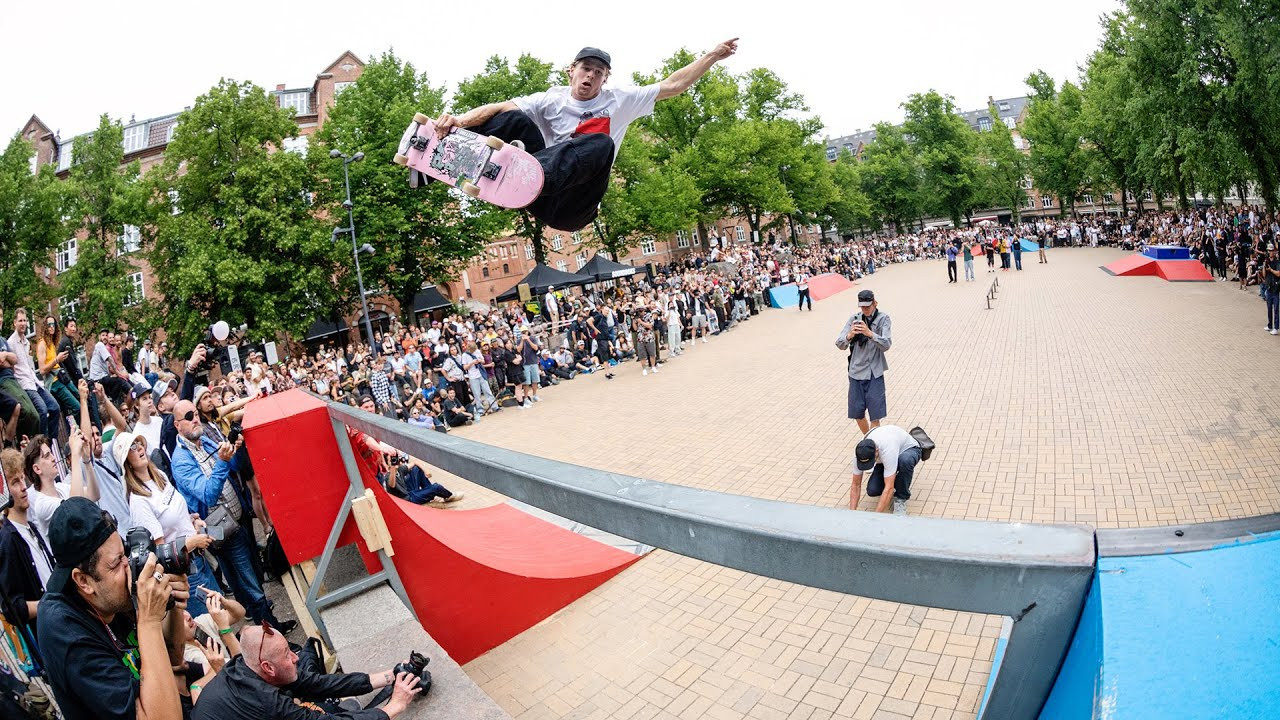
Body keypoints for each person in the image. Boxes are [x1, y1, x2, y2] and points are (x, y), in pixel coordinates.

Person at [430, 39, 738, 232]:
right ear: (571, 71)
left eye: (598, 72)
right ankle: (444, 155)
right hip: (539, 197)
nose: (590, 75)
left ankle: (531, 174)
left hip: (575, 207)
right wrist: (456, 121)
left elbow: (673, 85)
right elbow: (499, 107)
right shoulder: (551, 99)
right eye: (586, 69)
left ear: (606, 78)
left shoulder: (621, 100)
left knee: (600, 144)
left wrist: (711, 55)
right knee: (512, 118)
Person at [37, 496, 188, 720]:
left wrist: (171, 604)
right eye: (117, 563)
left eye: (125, 553)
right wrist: (148, 619)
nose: (129, 567)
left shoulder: (108, 595)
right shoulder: (66, 633)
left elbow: (173, 658)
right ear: (84, 581)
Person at [171, 399, 293, 633]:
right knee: (251, 583)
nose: (195, 418)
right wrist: (223, 461)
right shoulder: (180, 460)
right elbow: (207, 494)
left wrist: (235, 447)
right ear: (177, 425)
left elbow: (235, 466)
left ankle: (260, 632)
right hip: (220, 529)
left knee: (245, 579)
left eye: (195, 414)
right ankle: (273, 633)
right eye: (188, 416)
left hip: (237, 520)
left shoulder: (204, 439)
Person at [191, 623, 424, 720]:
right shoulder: (266, 701)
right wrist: (395, 705)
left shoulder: (245, 665)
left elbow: (320, 683)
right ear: (267, 667)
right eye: (286, 654)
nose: (295, 657)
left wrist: (391, 675)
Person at [118, 431, 222, 618]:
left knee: (221, 610)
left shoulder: (158, 475)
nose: (140, 448)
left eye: (139, 443)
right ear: (126, 461)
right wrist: (193, 541)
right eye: (132, 448)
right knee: (210, 622)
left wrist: (193, 520)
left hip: (198, 559)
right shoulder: (139, 501)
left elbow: (176, 515)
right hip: (185, 571)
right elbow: (161, 552)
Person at [0, 448, 51, 642]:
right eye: (15, 482)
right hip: (48, 636)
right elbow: (12, 608)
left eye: (23, 479)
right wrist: (49, 605)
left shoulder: (30, 526)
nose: (23, 487)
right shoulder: (8, 539)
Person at [834, 290, 892, 435]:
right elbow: (840, 344)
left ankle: (873, 445)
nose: (865, 309)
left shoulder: (883, 319)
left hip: (874, 373)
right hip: (856, 373)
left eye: (868, 306)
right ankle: (869, 440)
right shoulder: (854, 319)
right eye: (862, 307)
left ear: (874, 303)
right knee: (857, 414)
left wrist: (869, 333)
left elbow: (886, 345)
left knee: (875, 415)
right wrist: (850, 335)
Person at [9, 308, 62, 441]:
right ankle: (40, 443)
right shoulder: (11, 343)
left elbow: (29, 365)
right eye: (20, 320)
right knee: (42, 411)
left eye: (25, 320)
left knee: (55, 408)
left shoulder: (26, 343)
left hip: (34, 381)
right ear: (14, 323)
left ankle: (52, 443)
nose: (23, 323)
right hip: (24, 384)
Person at [850, 425, 922, 515]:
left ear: (876, 451)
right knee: (873, 490)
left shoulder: (888, 450)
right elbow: (855, 485)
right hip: (884, 459)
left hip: (908, 450)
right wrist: (851, 514)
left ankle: (901, 498)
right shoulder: (860, 452)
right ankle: (893, 476)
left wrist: (875, 517)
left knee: (905, 461)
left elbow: (889, 488)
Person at [1264, 246, 1279, 335]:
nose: (1270, 252)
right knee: (1269, 308)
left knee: (1276, 309)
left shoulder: (1277, 262)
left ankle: (1276, 327)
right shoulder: (1267, 262)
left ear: (1274, 251)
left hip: (1276, 289)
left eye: (1271, 251)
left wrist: (1271, 270)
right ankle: (1270, 325)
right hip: (1269, 288)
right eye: (1269, 251)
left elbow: (1278, 274)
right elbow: (1264, 274)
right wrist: (1264, 266)